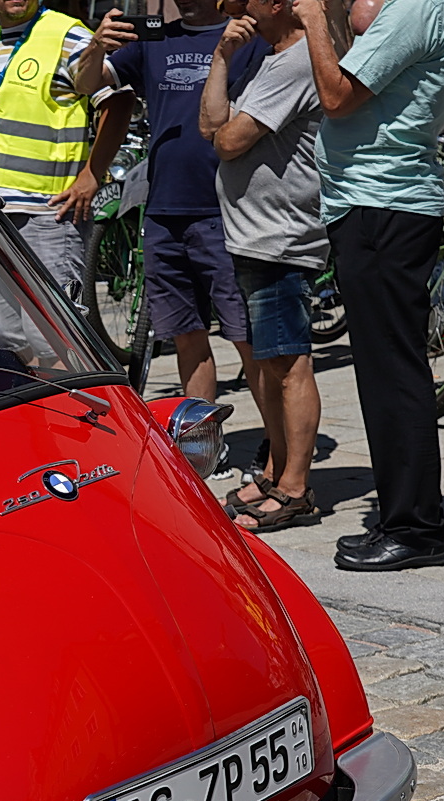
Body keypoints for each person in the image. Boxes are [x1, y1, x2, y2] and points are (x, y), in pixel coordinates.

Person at [292, 0, 444, 570]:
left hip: (382, 205)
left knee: (392, 374)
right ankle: (407, 516)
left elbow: (338, 97)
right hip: (375, 203)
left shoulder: (420, 5)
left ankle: (414, 528)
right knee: (386, 371)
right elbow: (363, 49)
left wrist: (316, 17)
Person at [85, 0, 267, 408]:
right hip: (165, 209)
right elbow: (88, 83)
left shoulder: (247, 37)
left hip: (226, 210)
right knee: (187, 336)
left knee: (246, 339)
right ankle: (201, 445)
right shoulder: (154, 38)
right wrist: (97, 46)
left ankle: (275, 447)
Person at [199, 0, 326, 533]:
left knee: (289, 364)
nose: (232, 3)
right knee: (272, 364)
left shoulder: (296, 62)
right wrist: (222, 57)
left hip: (280, 239)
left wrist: (226, 112)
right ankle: (276, 472)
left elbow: (229, 141)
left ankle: (296, 488)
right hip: (253, 238)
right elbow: (210, 124)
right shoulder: (267, 58)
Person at [0, 0, 136, 299]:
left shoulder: (66, 35)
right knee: (7, 336)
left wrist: (93, 174)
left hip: (48, 213)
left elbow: (119, 100)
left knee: (54, 338)